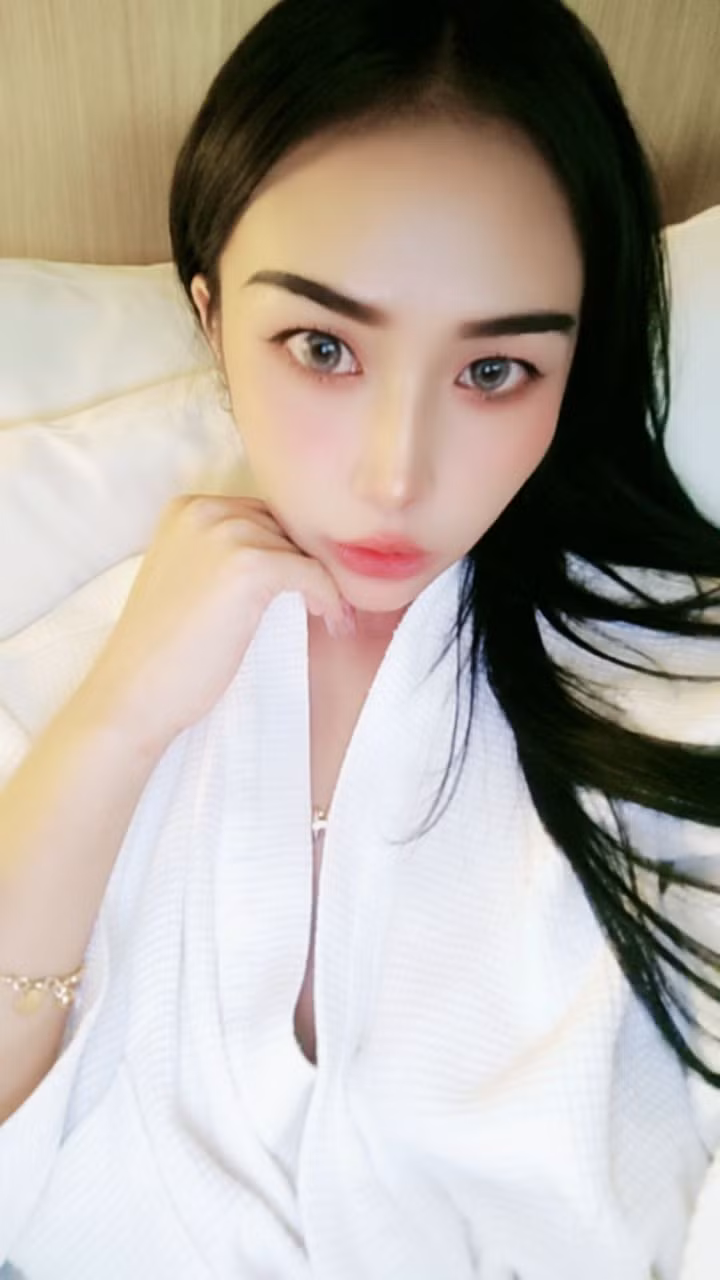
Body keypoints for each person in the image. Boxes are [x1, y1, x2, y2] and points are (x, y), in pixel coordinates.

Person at [1, 0, 719, 1275]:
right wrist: (114, 726)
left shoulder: (675, 697)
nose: (397, 477)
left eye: (494, 371)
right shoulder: (76, 666)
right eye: (322, 345)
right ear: (211, 317)